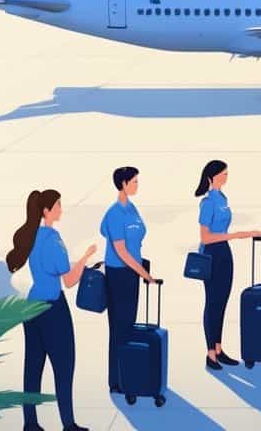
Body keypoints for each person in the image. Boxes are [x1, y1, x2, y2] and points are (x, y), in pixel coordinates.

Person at [7, 189, 97, 431]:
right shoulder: (53, 238)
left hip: (32, 307)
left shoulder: (31, 236)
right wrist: (86, 258)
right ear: (46, 211)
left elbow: (49, 269)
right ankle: (68, 425)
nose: (61, 209)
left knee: (33, 367)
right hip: (52, 308)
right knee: (64, 365)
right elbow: (68, 280)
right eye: (57, 205)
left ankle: (30, 423)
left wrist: (73, 264)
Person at [194, 160, 261, 370]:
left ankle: (219, 348)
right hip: (211, 254)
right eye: (223, 174)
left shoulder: (222, 198)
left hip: (224, 253)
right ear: (212, 177)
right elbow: (205, 237)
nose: (226, 177)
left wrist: (233, 237)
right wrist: (238, 235)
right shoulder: (207, 203)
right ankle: (210, 354)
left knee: (222, 301)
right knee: (212, 303)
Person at [100, 166, 156, 394]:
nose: (136, 185)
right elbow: (121, 251)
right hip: (119, 275)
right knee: (119, 328)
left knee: (129, 326)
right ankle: (117, 381)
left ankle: (129, 374)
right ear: (123, 184)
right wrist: (145, 274)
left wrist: (141, 269)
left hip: (132, 273)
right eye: (133, 182)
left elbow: (135, 242)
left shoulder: (132, 209)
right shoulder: (114, 214)